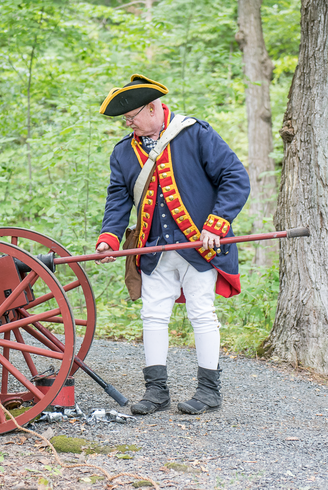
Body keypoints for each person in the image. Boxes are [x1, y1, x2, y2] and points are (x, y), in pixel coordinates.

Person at [95, 74, 249, 416]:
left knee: (202, 314)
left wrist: (217, 223)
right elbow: (118, 199)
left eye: (132, 116)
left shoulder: (195, 134)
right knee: (152, 315)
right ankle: (156, 391)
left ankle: (209, 391)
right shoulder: (124, 152)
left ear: (153, 108)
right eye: (126, 119)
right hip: (153, 249)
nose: (129, 123)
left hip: (200, 246)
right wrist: (109, 238)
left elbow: (234, 178)